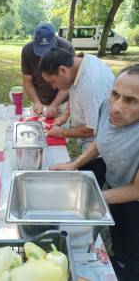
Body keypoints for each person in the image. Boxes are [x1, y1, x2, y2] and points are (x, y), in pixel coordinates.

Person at [49, 64, 139, 281]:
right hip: (115, 185)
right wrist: (74, 163)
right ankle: (119, 262)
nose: (116, 108)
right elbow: (102, 142)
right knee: (118, 231)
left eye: (131, 100)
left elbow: (136, 190)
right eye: (115, 94)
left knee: (135, 244)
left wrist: (88, 197)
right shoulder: (105, 109)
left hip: (135, 198)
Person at [39, 47, 115, 188]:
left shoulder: (92, 87)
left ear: (63, 70)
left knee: (90, 187)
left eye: (53, 81)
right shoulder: (78, 66)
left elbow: (93, 129)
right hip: (91, 143)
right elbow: (74, 91)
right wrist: (66, 114)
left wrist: (64, 133)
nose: (54, 87)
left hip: (99, 151)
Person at [21, 23, 75, 119]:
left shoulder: (67, 48)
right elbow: (27, 81)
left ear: (56, 39)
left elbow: (68, 82)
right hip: (38, 101)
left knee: (59, 131)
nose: (44, 55)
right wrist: (36, 102)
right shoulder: (27, 50)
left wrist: (54, 104)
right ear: (33, 40)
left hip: (61, 103)